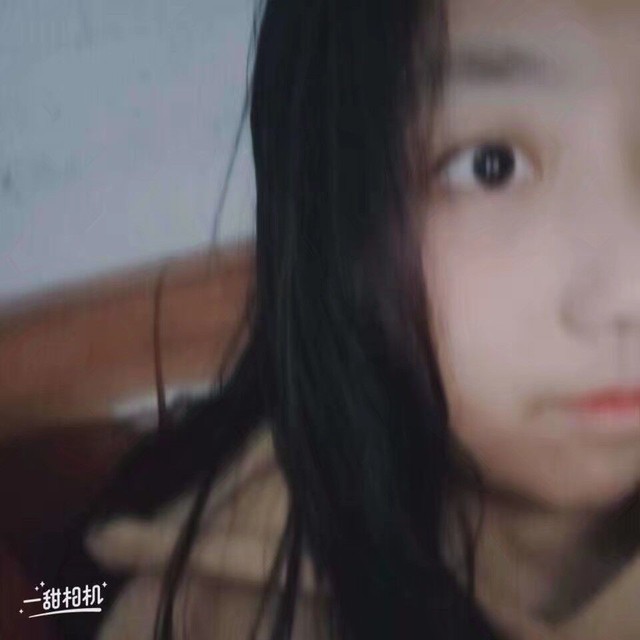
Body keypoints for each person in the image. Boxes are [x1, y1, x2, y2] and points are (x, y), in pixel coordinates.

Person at [54, 0, 640, 638]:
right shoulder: (182, 585)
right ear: (332, 215)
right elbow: (58, 601)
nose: (627, 295)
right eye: (490, 165)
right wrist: (29, 607)